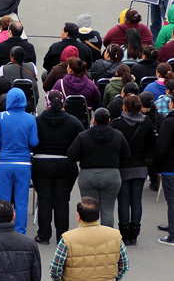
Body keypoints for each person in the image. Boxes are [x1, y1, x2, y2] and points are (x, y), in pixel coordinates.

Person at [32, 91, 84, 244]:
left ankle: (43, 235)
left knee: (44, 199)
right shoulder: (73, 121)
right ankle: (62, 236)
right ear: (63, 102)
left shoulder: (38, 121)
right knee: (62, 200)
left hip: (41, 163)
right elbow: (82, 139)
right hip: (66, 164)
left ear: (47, 102)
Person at [67, 107, 130, 228]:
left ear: (94, 120)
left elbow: (71, 155)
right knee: (107, 209)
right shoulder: (118, 135)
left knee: (89, 209)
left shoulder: (83, 136)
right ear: (109, 120)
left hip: (88, 175)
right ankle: (106, 238)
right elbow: (126, 154)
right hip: (111, 174)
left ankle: (91, 236)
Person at [0, 88, 39, 234]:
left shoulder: (1, 117)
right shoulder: (30, 118)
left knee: (3, 200)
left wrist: (4, 148)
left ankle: (2, 229)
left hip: (4, 162)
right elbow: (34, 141)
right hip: (23, 163)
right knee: (21, 201)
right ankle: (20, 231)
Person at [110, 94, 156, 244]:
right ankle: (135, 232)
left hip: (122, 166)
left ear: (124, 107)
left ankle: (124, 231)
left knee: (123, 200)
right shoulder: (146, 122)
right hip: (140, 165)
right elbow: (151, 143)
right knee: (136, 200)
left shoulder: (117, 124)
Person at [152, 92, 174, 245]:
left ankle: (172, 235)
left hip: (170, 167)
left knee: (172, 201)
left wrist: (157, 166)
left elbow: (161, 147)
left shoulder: (169, 122)